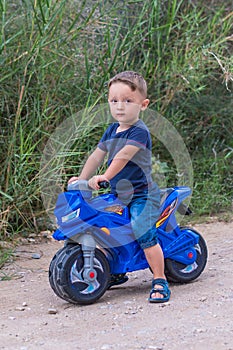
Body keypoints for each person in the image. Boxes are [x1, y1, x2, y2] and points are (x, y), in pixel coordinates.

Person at [68, 71, 171, 303]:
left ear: (143, 105)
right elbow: (97, 155)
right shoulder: (111, 130)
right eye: (114, 101)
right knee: (104, 227)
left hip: (142, 195)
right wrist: (81, 180)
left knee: (142, 229)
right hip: (118, 194)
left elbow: (122, 157)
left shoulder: (140, 132)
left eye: (127, 100)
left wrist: (104, 176)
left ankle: (160, 279)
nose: (120, 107)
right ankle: (115, 269)